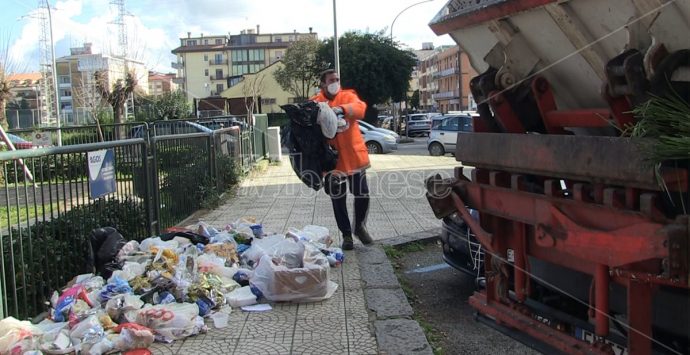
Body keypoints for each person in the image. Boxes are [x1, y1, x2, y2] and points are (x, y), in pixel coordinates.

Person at [311, 69, 373, 250]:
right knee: (338, 198)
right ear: (323, 83)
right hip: (332, 161)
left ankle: (359, 226)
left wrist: (341, 109)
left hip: (353, 157)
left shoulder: (348, 96)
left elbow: (360, 109)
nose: (335, 82)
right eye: (331, 80)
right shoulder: (315, 102)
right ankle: (347, 235)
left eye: (337, 79)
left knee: (362, 193)